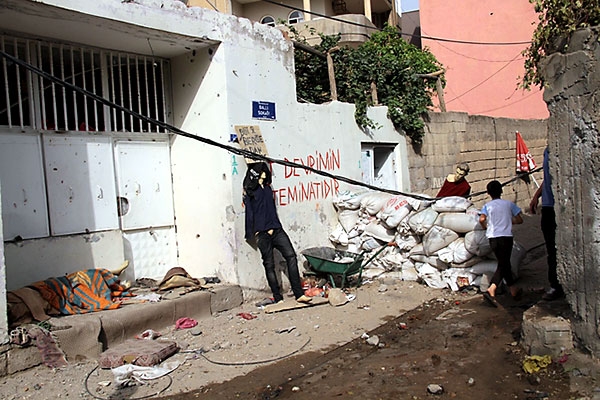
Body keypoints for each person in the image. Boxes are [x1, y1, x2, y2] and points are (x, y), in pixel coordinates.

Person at [243, 162, 312, 305]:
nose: (264, 174)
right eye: (261, 172)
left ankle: (298, 293)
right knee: (269, 265)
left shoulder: (268, 190)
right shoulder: (250, 192)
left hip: (276, 229)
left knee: (291, 256)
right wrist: (253, 232)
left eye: (265, 172)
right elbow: (249, 214)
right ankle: (277, 296)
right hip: (262, 233)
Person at [479, 180, 523, 307]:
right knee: (504, 263)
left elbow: (482, 219)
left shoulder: (487, 206)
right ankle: (492, 288)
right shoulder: (509, 204)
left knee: (503, 262)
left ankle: (513, 289)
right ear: (501, 191)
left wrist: (485, 226)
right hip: (506, 237)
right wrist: (509, 222)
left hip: (493, 237)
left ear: (488, 193)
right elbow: (520, 220)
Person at [529, 147, 563, 301]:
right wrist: (537, 195)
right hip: (548, 207)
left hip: (559, 207)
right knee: (551, 249)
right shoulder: (547, 151)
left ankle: (560, 285)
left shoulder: (559, 148)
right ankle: (555, 284)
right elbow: (548, 177)